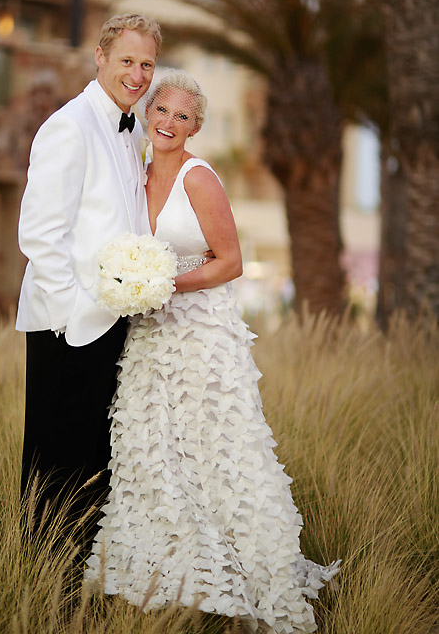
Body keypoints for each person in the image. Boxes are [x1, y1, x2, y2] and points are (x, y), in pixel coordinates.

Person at [85, 70, 340, 633]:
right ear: (147, 116)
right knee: (153, 449)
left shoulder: (200, 178)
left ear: (196, 126)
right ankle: (169, 582)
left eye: (182, 116)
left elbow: (230, 262)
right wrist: (132, 286)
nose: (169, 123)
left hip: (201, 332)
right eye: (161, 112)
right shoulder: (135, 174)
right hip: (149, 337)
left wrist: (167, 284)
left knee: (214, 449)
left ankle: (252, 579)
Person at [15, 13, 162, 556]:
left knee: (93, 460)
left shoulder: (131, 131)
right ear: (100, 57)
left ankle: (81, 573)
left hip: (114, 318)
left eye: (146, 63)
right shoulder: (69, 125)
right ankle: (40, 577)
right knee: (54, 461)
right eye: (127, 60)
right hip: (68, 322)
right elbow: (40, 233)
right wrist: (71, 315)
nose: (138, 73)